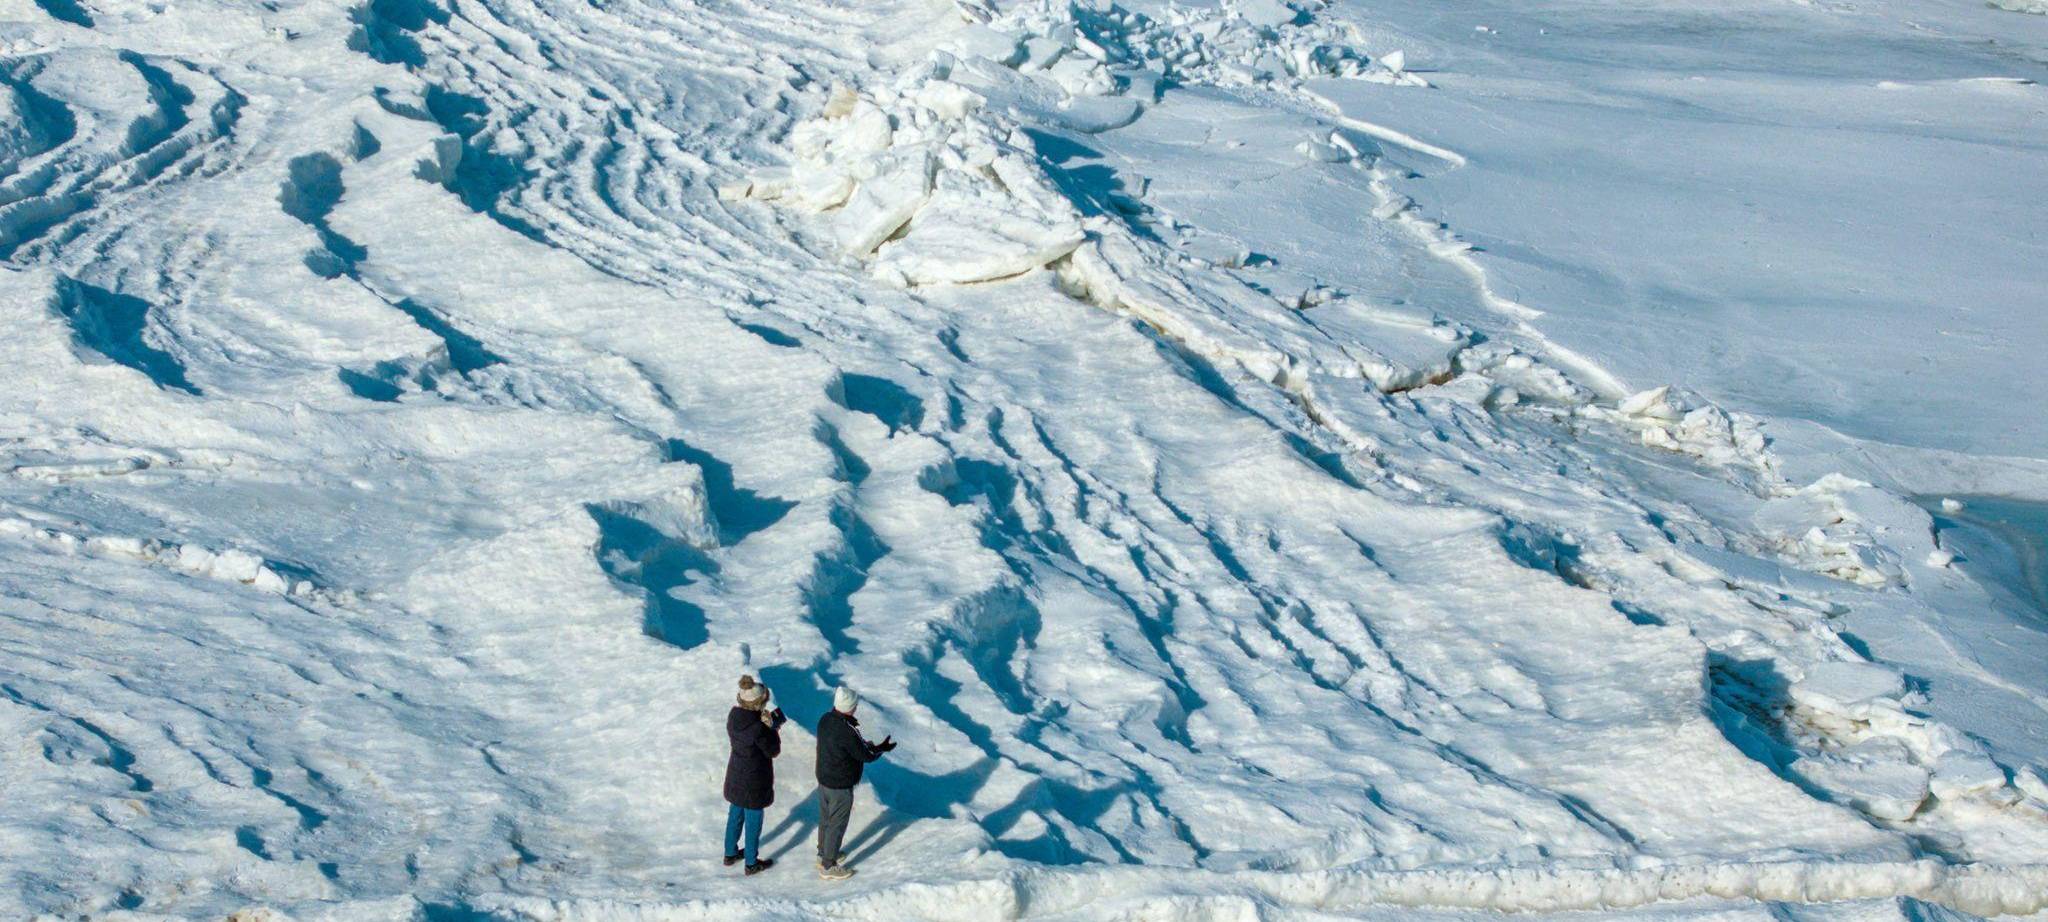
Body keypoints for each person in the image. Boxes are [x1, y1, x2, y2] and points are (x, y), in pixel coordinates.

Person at [813, 685, 896, 880]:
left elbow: (846, 746)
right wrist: (880, 749)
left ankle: (823, 853)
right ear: (849, 707)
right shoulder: (846, 729)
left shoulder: (825, 719)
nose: (856, 708)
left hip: (824, 779)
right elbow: (864, 755)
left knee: (826, 819)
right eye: (855, 705)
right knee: (836, 824)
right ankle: (828, 865)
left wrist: (870, 746)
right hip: (840, 785)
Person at [723, 674, 785, 875]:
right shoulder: (759, 728)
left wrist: (762, 722)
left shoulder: (734, 717)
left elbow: (749, 732)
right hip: (755, 779)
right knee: (753, 820)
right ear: (759, 703)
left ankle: (730, 853)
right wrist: (773, 728)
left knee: (735, 813)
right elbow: (772, 751)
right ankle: (751, 863)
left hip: (736, 774)